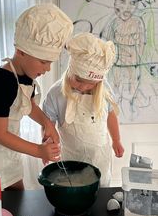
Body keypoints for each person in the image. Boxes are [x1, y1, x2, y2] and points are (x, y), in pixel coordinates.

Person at [0, 3, 73, 197]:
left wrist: (47, 124)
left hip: (7, 149)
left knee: (17, 192)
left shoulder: (26, 77)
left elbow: (28, 106)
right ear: (21, 52)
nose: (47, 69)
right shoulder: (1, 82)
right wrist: (39, 151)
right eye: (43, 61)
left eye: (50, 62)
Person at [42, 32, 124, 186]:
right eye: (79, 80)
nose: (84, 87)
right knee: (73, 191)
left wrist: (116, 140)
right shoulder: (56, 93)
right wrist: (47, 143)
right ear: (70, 70)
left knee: (99, 192)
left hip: (99, 157)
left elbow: (111, 115)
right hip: (71, 157)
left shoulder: (104, 90)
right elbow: (48, 123)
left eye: (91, 84)